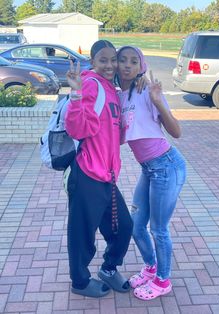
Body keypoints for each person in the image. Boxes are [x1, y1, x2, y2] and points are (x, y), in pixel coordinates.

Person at [64, 40, 133, 298]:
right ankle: (79, 282)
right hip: (87, 174)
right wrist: (76, 94)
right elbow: (78, 129)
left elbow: (116, 135)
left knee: (123, 226)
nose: (110, 65)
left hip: (107, 176)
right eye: (103, 60)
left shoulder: (111, 90)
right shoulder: (91, 84)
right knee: (82, 234)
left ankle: (108, 268)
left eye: (113, 60)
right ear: (92, 62)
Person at [117, 46, 186, 300]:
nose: (127, 65)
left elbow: (176, 131)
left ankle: (163, 280)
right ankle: (151, 266)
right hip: (149, 169)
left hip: (167, 165)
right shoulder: (121, 97)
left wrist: (159, 101)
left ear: (141, 66)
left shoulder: (148, 91)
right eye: (122, 60)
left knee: (159, 229)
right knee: (136, 226)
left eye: (133, 61)